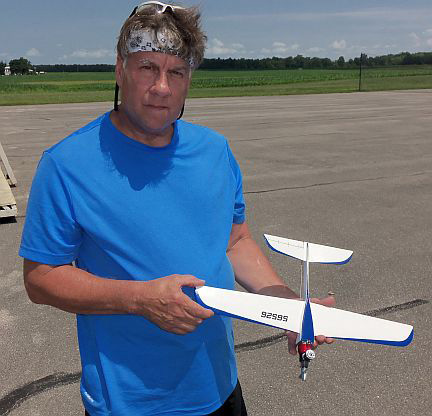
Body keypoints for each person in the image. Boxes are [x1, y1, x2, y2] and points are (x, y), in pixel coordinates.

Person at [20, 2, 335, 415]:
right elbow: (41, 278)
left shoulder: (214, 150)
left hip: (219, 387)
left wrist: (288, 307)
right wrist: (139, 299)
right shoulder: (66, 164)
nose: (162, 87)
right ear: (120, 70)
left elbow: (234, 241)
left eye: (177, 72)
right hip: (131, 402)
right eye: (147, 67)